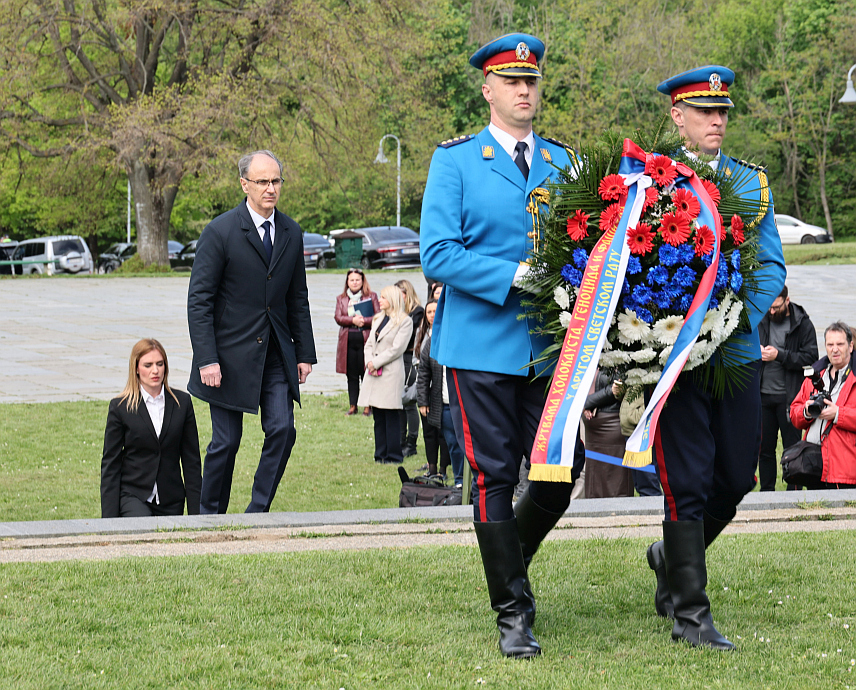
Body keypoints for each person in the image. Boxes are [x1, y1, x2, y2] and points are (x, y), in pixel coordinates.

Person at [421, 33, 584, 659]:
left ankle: (507, 559)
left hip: (548, 347)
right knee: (492, 475)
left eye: (532, 81)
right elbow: (436, 253)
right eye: (511, 81)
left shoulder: (564, 164)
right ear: (488, 90)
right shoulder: (456, 160)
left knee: (558, 474)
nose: (524, 90)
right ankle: (513, 613)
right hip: (480, 345)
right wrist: (513, 275)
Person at [644, 66, 786, 650]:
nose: (717, 120)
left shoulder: (750, 184)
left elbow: (772, 266)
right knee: (687, 482)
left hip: (738, 353)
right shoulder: (651, 183)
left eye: (723, 111)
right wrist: (676, 331)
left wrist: (730, 322)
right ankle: (691, 618)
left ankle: (668, 556)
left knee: (734, 477)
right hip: (677, 358)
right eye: (705, 111)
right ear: (678, 116)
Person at [187, 150, 316, 514]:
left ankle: (257, 512)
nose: (270, 188)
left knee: (282, 430)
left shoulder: (291, 231)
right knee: (226, 443)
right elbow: (199, 301)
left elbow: (297, 297)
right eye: (262, 182)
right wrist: (207, 359)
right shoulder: (220, 231)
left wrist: (304, 353)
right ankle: (209, 516)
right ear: (244, 184)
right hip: (227, 357)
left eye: (276, 181)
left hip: (275, 352)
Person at [101, 339, 202, 518]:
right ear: (137, 369)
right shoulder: (120, 407)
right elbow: (111, 465)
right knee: (143, 531)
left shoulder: (182, 403)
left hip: (171, 498)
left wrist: (196, 515)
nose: (155, 370)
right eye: (148, 365)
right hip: (133, 495)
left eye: (159, 364)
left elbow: (191, 462)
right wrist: (109, 521)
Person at [757, 285, 818, 490]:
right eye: (769, 308)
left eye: (776, 307)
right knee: (765, 450)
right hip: (763, 395)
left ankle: (793, 493)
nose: (772, 311)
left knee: (792, 449)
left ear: (787, 300)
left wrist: (780, 355)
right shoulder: (762, 318)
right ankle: (766, 493)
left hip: (790, 398)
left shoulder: (802, 324)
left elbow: (811, 359)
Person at [789, 321, 856, 488]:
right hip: (813, 466)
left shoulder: (853, 377)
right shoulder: (815, 375)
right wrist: (806, 412)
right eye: (830, 344)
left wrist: (839, 414)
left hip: (844, 470)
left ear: (851, 346)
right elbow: (794, 413)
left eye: (840, 344)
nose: (835, 349)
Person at [358, 285, 414, 464]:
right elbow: (369, 343)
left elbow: (397, 349)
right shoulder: (378, 318)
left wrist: (376, 362)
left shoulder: (404, 321)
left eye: (383, 297)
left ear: (393, 299)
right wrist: (369, 362)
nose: (379, 300)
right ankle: (379, 454)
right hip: (374, 372)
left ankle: (393, 455)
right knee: (378, 416)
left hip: (389, 372)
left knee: (390, 415)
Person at [417, 299, 466, 485]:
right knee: (452, 443)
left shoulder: (462, 341)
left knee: (467, 443)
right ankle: (460, 479)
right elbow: (423, 374)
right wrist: (423, 401)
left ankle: (472, 480)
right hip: (444, 403)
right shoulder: (431, 343)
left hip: (463, 403)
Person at [335, 269, 380, 416]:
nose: (354, 283)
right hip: (348, 340)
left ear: (362, 281)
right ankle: (353, 405)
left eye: (357, 280)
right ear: (347, 282)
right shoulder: (341, 298)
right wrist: (352, 320)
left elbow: (378, 316)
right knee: (351, 375)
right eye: (351, 280)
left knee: (366, 373)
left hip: (365, 339)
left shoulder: (371, 296)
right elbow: (338, 317)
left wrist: (364, 321)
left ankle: (367, 406)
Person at [582, 372, 635, 498]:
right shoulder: (584, 353)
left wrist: (585, 403)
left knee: (617, 487)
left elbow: (616, 388)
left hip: (613, 427)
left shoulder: (618, 354)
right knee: (594, 487)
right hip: (591, 434)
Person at [396, 279, 424, 456]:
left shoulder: (418, 312)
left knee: (409, 402)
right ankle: (400, 440)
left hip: (410, 358)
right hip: (399, 358)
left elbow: (406, 335)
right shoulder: (399, 312)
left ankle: (411, 443)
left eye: (401, 294)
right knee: (400, 401)